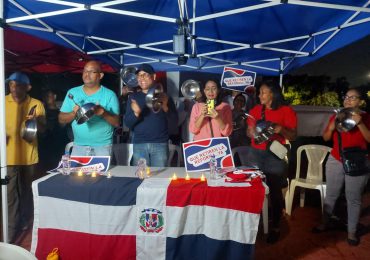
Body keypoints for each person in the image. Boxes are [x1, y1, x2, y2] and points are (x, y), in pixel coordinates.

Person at [313, 88, 370, 246]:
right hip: (336, 159)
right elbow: (325, 137)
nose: (348, 100)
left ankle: (351, 232)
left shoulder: (366, 117)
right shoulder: (337, 116)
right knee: (331, 194)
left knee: (354, 199)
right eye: (346, 96)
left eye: (353, 97)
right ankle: (324, 223)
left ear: (360, 101)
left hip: (357, 162)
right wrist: (331, 128)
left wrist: (360, 124)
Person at [246, 80, 297, 244]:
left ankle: (275, 226)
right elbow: (249, 132)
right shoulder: (255, 110)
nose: (259, 95)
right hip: (256, 154)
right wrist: (251, 131)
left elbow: (293, 136)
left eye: (263, 92)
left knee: (275, 191)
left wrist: (281, 129)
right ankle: (254, 222)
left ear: (273, 94)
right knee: (254, 188)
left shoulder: (286, 111)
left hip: (275, 155)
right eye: (259, 92)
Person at [5, 72, 46, 243]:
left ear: (28, 87)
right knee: (10, 195)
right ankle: (11, 229)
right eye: (12, 85)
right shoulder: (2, 101)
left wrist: (36, 122)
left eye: (19, 85)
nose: (14, 88)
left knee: (27, 192)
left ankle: (25, 221)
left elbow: (43, 131)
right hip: (7, 158)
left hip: (29, 158)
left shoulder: (36, 104)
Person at [59, 60, 120, 156]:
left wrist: (103, 113)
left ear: (100, 75)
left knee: (101, 172)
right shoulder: (72, 93)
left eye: (92, 71)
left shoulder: (109, 95)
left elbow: (116, 122)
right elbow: (61, 119)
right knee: (76, 171)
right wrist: (73, 113)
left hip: (102, 147)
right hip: (78, 146)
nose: (87, 74)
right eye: (85, 71)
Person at [124, 63, 178, 167]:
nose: (141, 78)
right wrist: (136, 113)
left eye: (145, 74)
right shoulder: (133, 98)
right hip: (139, 144)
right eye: (139, 75)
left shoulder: (164, 97)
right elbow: (128, 124)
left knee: (159, 178)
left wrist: (166, 107)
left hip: (160, 145)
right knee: (140, 177)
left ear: (153, 77)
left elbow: (174, 124)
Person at [39, 90, 69, 169]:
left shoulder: (63, 111)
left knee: (61, 167)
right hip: (46, 144)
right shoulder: (42, 112)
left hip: (61, 143)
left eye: (49, 96)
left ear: (54, 97)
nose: (47, 98)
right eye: (45, 96)